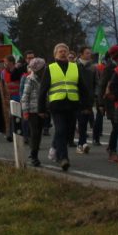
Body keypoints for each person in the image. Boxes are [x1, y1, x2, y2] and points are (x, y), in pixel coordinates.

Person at [38, 43, 85, 171]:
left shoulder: (75, 67)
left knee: (69, 133)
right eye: (60, 51)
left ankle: (55, 150)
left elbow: (82, 87)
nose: (63, 53)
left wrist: (86, 104)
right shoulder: (50, 68)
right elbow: (43, 90)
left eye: (65, 51)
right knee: (60, 130)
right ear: (55, 55)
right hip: (57, 105)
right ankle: (63, 158)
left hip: (72, 104)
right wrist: (41, 109)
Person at [99, 45, 118, 164]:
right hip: (110, 101)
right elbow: (102, 85)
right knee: (116, 126)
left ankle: (113, 147)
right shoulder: (109, 68)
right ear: (116, 57)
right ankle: (112, 150)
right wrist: (101, 104)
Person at [20, 57, 46, 166]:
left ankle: (33, 153)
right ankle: (33, 156)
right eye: (43, 67)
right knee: (35, 133)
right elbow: (25, 96)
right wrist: (25, 111)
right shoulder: (30, 79)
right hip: (32, 110)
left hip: (42, 109)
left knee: (39, 133)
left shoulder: (46, 78)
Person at [75, 46, 98, 154]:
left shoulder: (93, 67)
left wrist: (95, 95)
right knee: (79, 121)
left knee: (83, 121)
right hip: (76, 98)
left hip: (88, 99)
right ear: (81, 54)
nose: (89, 55)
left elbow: (96, 83)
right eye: (87, 53)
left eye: (90, 53)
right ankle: (81, 143)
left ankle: (82, 143)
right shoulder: (74, 66)